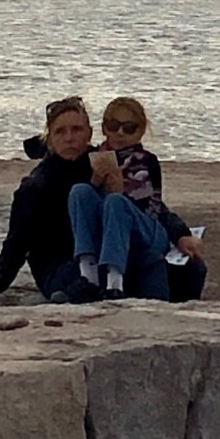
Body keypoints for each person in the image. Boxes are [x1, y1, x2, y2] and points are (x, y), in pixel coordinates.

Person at [0, 95, 99, 307]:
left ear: (89, 133)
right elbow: (17, 240)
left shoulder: (102, 166)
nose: (69, 138)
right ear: (49, 139)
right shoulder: (37, 185)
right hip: (55, 268)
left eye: (77, 130)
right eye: (60, 132)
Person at [68, 96, 205, 301]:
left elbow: (154, 209)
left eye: (129, 128)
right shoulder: (92, 158)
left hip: (146, 227)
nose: (120, 133)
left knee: (115, 202)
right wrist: (95, 181)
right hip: (108, 225)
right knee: (80, 191)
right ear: (104, 128)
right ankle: (88, 272)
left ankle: (115, 280)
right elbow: (87, 207)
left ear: (140, 131)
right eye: (113, 126)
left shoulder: (147, 161)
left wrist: (121, 192)